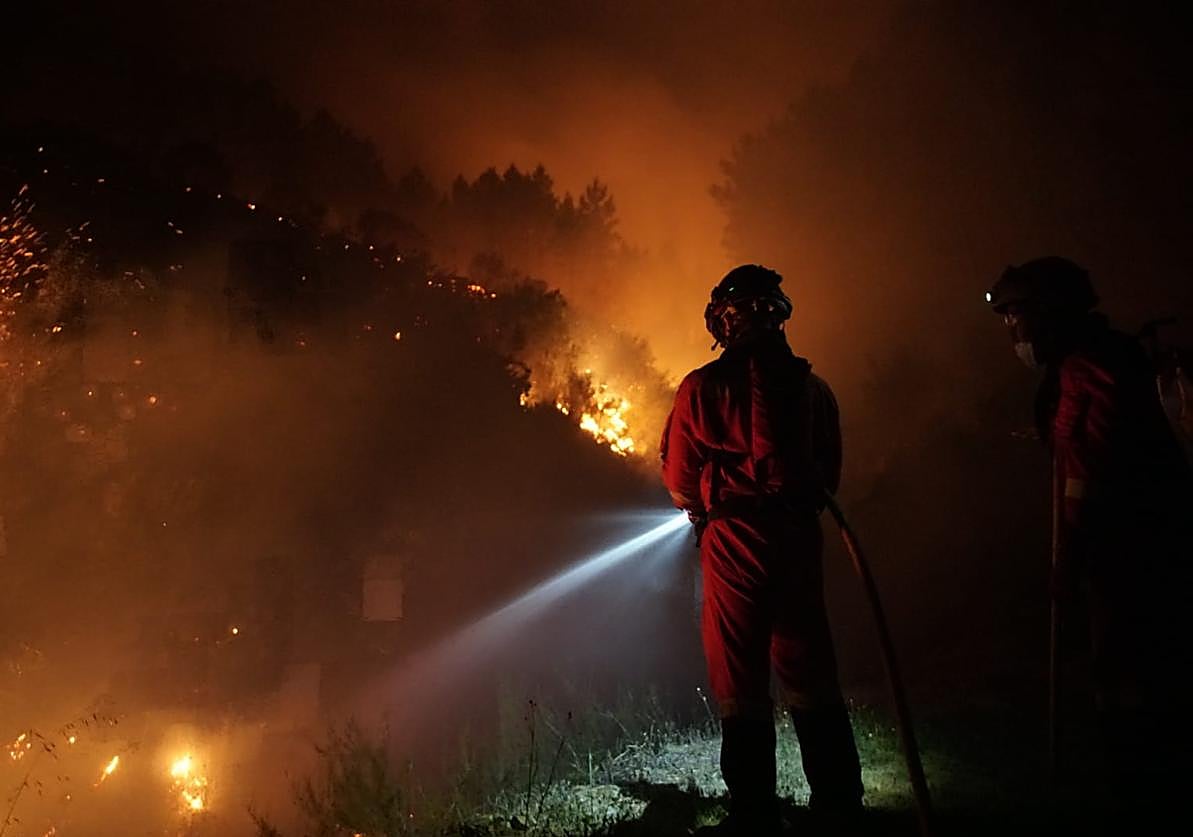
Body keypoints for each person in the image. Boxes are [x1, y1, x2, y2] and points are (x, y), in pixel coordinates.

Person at [987, 256, 1193, 815]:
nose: (1012, 330)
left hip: (1130, 542)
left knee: (1130, 665)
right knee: (1132, 663)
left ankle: (1143, 785)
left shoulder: (1088, 367)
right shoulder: (1099, 357)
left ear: (1047, 313)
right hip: (1136, 535)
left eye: (1015, 316)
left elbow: (1090, 469)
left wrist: (1068, 558)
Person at [662, 264, 863, 835]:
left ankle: (753, 813)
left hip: (732, 538)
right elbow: (829, 476)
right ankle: (839, 803)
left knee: (739, 674)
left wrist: (702, 509)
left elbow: (679, 479)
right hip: (798, 536)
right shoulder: (815, 392)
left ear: (724, 321)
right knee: (809, 664)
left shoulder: (702, 388)